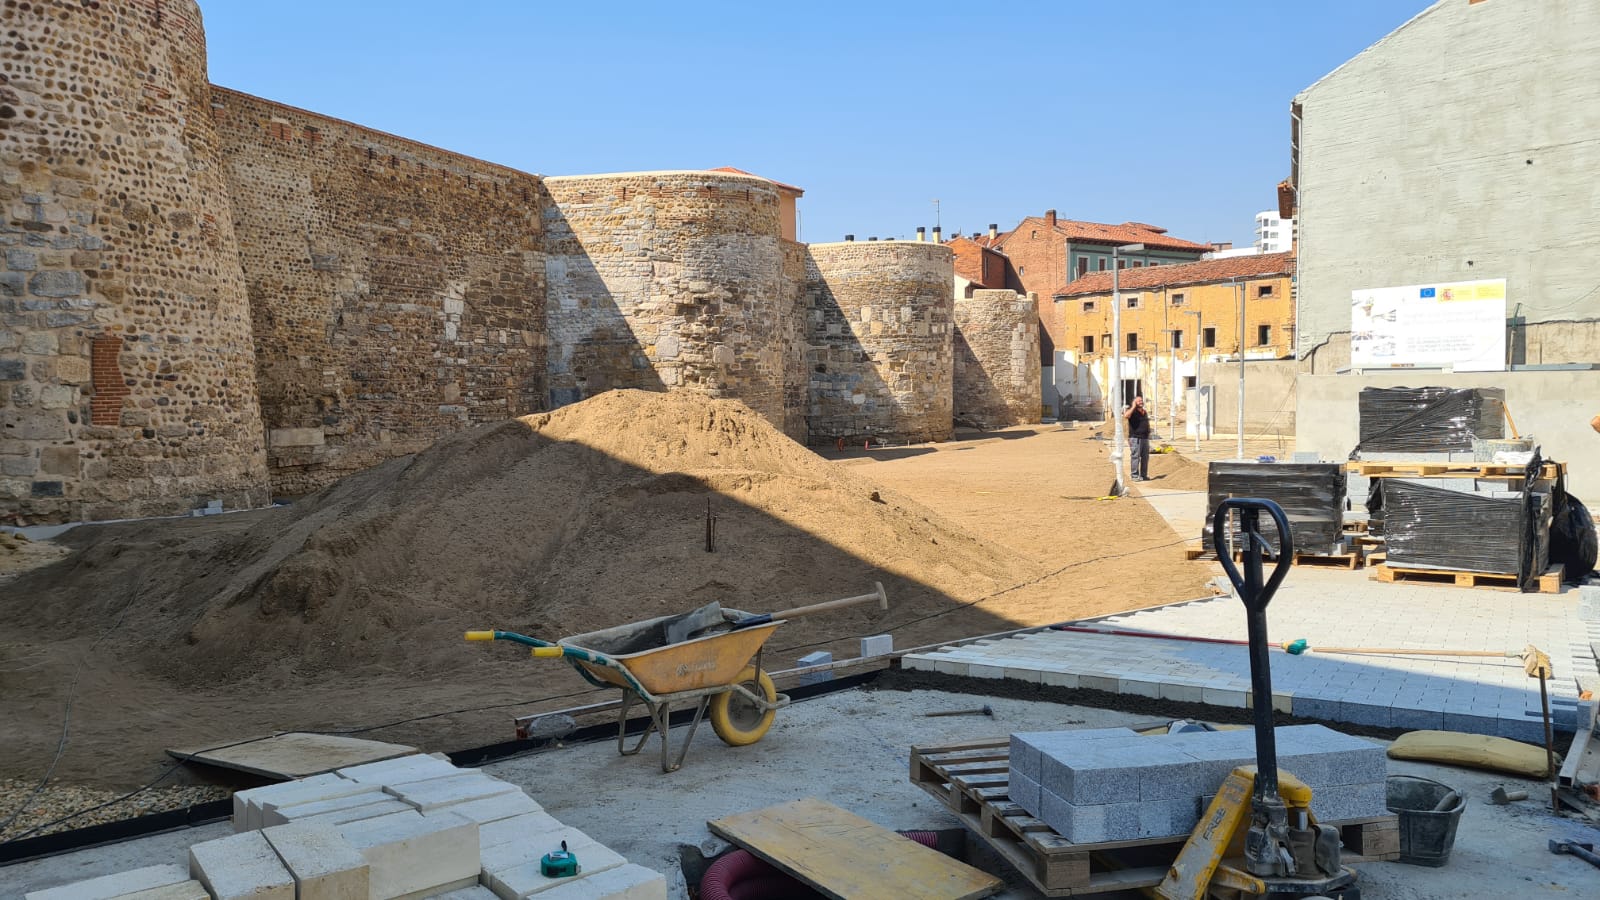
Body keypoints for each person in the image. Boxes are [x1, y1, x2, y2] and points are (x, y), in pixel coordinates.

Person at [1123, 395, 1151, 482]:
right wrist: (1133, 406)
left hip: (1145, 438)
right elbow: (1126, 416)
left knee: (1145, 457)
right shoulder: (1132, 412)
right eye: (1138, 401)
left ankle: (1143, 475)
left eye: (1141, 400)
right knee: (1135, 456)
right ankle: (1134, 475)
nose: (1141, 402)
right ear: (1134, 402)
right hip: (1135, 438)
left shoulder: (1144, 412)